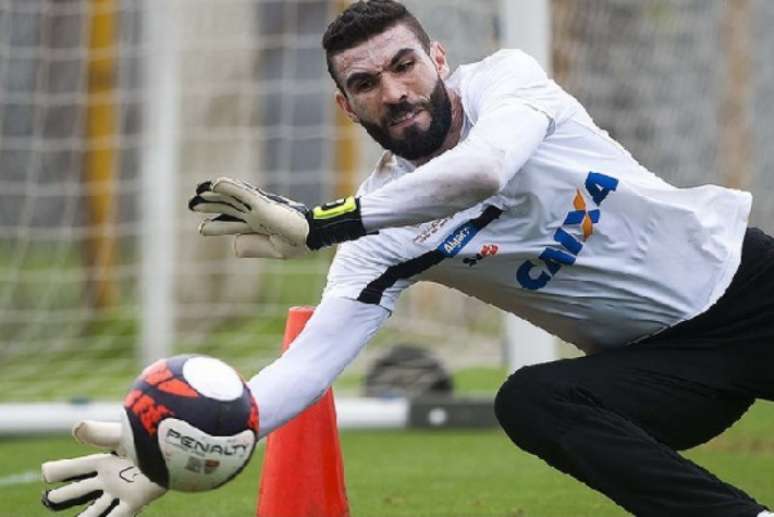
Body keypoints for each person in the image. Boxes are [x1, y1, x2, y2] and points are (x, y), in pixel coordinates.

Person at [41, 1, 773, 516]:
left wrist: (322, 223)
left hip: (747, 286)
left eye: (404, 65)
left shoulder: (506, 83)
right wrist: (177, 440)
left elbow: (483, 170)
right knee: (533, 401)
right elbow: (307, 365)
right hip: (668, 369)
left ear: (440, 61)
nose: (394, 92)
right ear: (346, 107)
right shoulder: (382, 239)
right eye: (365, 84)